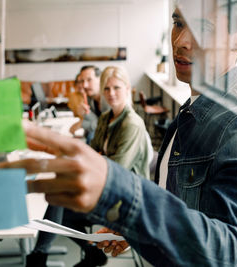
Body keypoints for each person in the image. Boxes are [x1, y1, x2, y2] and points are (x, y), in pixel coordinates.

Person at [0, 1, 237, 266]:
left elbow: (234, 257)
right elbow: (182, 211)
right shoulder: (193, 109)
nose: (180, 41)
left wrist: (128, 200)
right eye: (179, 22)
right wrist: (137, 227)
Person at [26, 66, 152, 267]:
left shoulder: (132, 124)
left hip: (124, 199)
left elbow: (114, 171)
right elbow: (92, 156)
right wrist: (99, 159)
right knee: (58, 209)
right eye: (107, 88)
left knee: (58, 202)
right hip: (106, 189)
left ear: (128, 88)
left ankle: (38, 257)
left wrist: (99, 160)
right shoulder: (105, 118)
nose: (111, 93)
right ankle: (91, 253)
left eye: (116, 88)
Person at [69, 65, 109, 144]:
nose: (84, 85)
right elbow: (95, 120)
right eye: (82, 81)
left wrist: (82, 123)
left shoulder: (109, 98)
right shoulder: (90, 97)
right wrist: (86, 115)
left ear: (100, 79)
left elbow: (104, 126)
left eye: (89, 80)